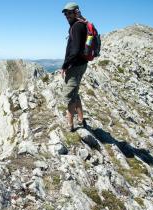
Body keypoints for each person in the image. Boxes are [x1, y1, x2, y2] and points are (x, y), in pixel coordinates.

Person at [61, 2, 88, 132]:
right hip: (81, 64)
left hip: (75, 65)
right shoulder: (80, 24)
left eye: (69, 13)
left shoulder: (77, 27)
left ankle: (70, 125)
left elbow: (75, 49)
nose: (67, 16)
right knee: (75, 92)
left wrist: (65, 65)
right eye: (65, 14)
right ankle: (81, 119)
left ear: (76, 12)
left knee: (69, 95)